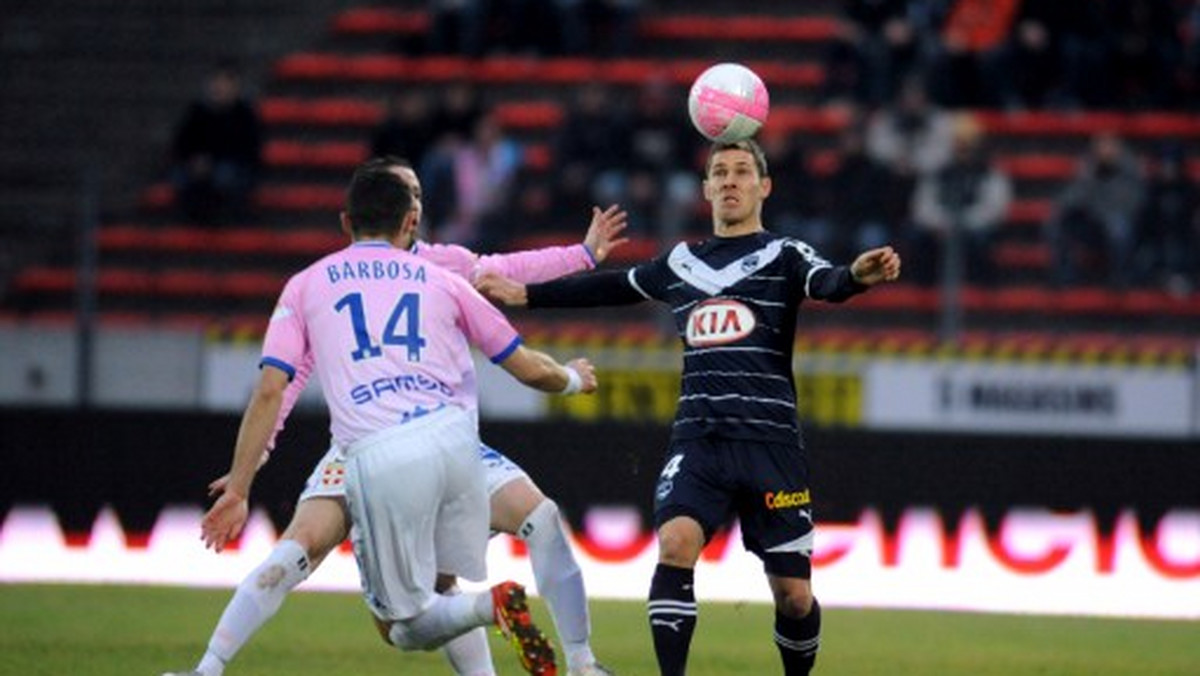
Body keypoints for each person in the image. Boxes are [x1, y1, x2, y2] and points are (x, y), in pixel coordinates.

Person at [164, 157, 625, 676]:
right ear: (405, 215)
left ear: (351, 219)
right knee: (458, 562)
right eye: (411, 194)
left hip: (372, 452)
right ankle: (208, 667)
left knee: (402, 619)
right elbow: (513, 328)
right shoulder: (441, 276)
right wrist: (566, 375)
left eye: (420, 193)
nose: (417, 204)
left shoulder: (321, 283)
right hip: (445, 441)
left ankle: (206, 670)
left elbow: (278, 383)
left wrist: (580, 256)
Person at [476, 139, 902, 675]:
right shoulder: (681, 263)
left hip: (770, 445)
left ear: (763, 186)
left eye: (742, 171)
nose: (729, 180)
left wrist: (858, 276)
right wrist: (527, 296)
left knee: (794, 596)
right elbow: (612, 287)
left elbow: (829, 282)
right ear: (705, 189)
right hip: (698, 440)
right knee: (676, 543)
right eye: (719, 172)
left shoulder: (785, 254)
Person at [907, 113, 1012, 286]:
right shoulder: (938, 172)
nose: (962, 149)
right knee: (917, 235)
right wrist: (942, 225)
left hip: (972, 228)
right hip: (940, 229)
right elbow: (922, 205)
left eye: (966, 144)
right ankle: (925, 288)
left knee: (983, 240)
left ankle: (978, 288)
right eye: (959, 144)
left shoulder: (989, 174)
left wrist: (961, 225)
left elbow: (993, 210)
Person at [1047, 131, 1146, 288]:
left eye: (1109, 146)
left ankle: (1121, 276)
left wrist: (1098, 208)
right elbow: (1069, 199)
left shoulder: (1130, 170)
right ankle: (1064, 275)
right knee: (1056, 223)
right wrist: (1088, 181)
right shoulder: (1087, 169)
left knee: (1117, 227)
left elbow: (1130, 205)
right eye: (1101, 146)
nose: (1104, 151)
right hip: (1091, 224)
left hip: (1119, 227)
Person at [170, 61, 263, 224]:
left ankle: (226, 218)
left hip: (234, 166)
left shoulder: (245, 114)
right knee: (180, 177)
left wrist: (212, 161)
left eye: (225, 83)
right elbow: (182, 143)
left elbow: (249, 149)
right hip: (200, 165)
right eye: (217, 82)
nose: (220, 87)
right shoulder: (198, 112)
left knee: (224, 176)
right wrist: (195, 160)